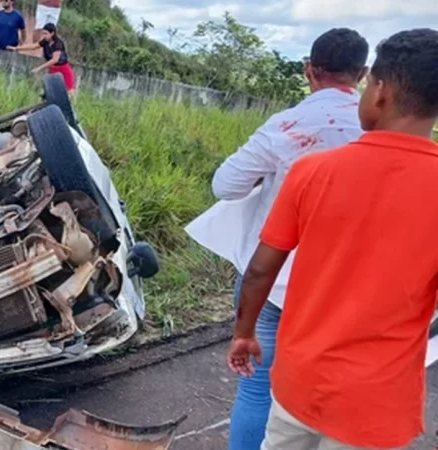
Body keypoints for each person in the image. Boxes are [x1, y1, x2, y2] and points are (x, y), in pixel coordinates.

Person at [227, 28, 438, 450]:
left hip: (298, 384)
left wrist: (244, 332)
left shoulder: (313, 171)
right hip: (377, 405)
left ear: (378, 89)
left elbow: (260, 269)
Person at [184, 28, 369, 450]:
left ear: (309, 69)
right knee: (323, 396)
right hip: (340, 289)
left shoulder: (286, 125)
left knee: (256, 390)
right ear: (362, 74)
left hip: (272, 283)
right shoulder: (374, 131)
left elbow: (225, 185)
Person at [7, 23, 76, 94]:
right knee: (50, 90)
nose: (44, 36)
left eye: (46, 33)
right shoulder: (45, 42)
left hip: (63, 69)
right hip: (52, 69)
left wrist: (39, 68)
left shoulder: (58, 43)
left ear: (52, 33)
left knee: (70, 91)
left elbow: (55, 60)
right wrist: (17, 48)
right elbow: (34, 46)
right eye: (43, 33)